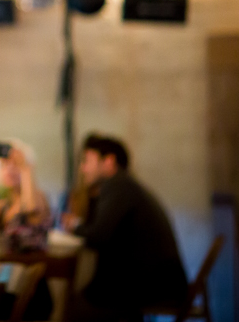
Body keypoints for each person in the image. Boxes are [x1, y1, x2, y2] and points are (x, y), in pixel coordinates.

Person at [65, 134, 188, 321]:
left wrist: (74, 225)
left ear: (108, 162)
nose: (83, 168)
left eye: (87, 161)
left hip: (155, 285)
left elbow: (98, 236)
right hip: (161, 281)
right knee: (89, 294)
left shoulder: (118, 186)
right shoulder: (126, 185)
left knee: (77, 305)